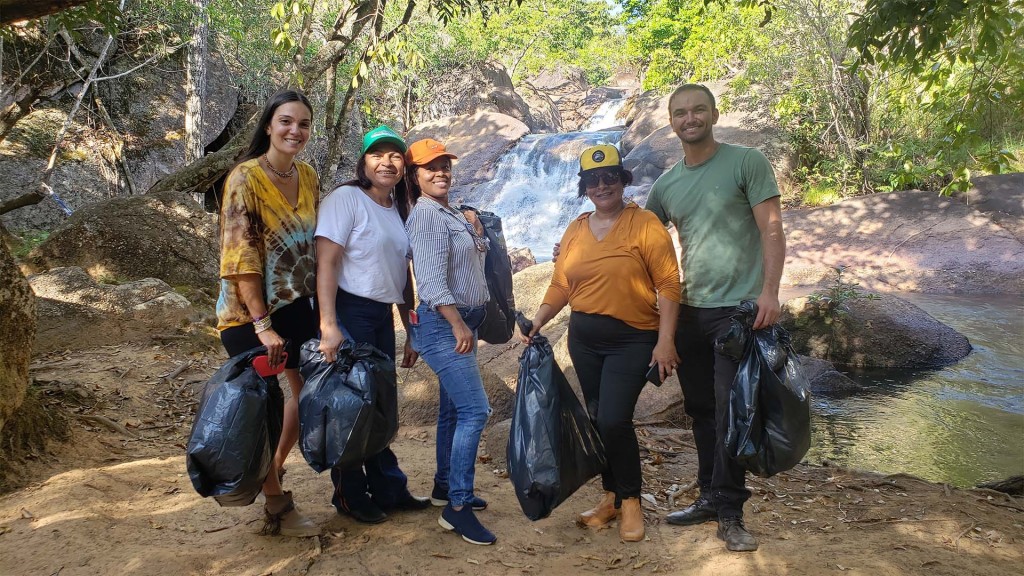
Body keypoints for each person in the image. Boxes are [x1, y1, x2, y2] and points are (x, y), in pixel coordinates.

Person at [647, 83, 786, 552]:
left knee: (732, 412)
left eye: (698, 110)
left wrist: (769, 292)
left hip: (737, 312)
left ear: (714, 113)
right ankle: (710, 495)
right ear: (671, 123)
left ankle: (730, 510)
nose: (691, 118)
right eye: (681, 113)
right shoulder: (666, 185)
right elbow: (641, 241)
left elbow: (772, 228)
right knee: (702, 411)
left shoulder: (746, 161)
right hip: (690, 312)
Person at [521, 144, 681, 542]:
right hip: (585, 338)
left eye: (610, 176)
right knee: (596, 418)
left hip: (633, 338)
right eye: (593, 179)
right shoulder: (576, 228)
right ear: (584, 187)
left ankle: (631, 502)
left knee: (613, 419)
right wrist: (540, 318)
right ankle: (611, 498)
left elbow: (668, 284)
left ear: (623, 180)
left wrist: (665, 342)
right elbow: (561, 283)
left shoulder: (645, 224)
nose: (602, 185)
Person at [215, 89, 320, 537]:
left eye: (303, 124)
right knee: (264, 407)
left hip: (298, 306)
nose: (294, 131)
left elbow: (317, 243)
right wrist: (262, 325)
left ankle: (268, 470)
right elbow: (241, 258)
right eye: (286, 122)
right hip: (248, 315)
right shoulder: (244, 178)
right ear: (268, 126)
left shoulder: (310, 176)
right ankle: (276, 503)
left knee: (308, 393)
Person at [314, 126, 430, 523]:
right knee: (354, 408)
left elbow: (402, 276)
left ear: (403, 167)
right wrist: (329, 324)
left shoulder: (398, 211)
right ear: (363, 163)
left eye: (395, 155)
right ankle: (349, 495)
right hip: (350, 312)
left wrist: (411, 330)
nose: (387, 162)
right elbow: (325, 263)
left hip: (381, 316)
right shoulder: (346, 199)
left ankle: (388, 488)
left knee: (380, 407)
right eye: (377, 154)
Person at [405, 138, 496, 546]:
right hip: (446, 326)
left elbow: (474, 257)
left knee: (453, 412)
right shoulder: (425, 216)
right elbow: (430, 281)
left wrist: (475, 225)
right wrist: (458, 324)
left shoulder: (450, 211)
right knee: (476, 410)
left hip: (463, 322)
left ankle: (445, 485)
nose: (440, 172)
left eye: (444, 165)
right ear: (415, 176)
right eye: (430, 167)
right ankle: (456, 508)